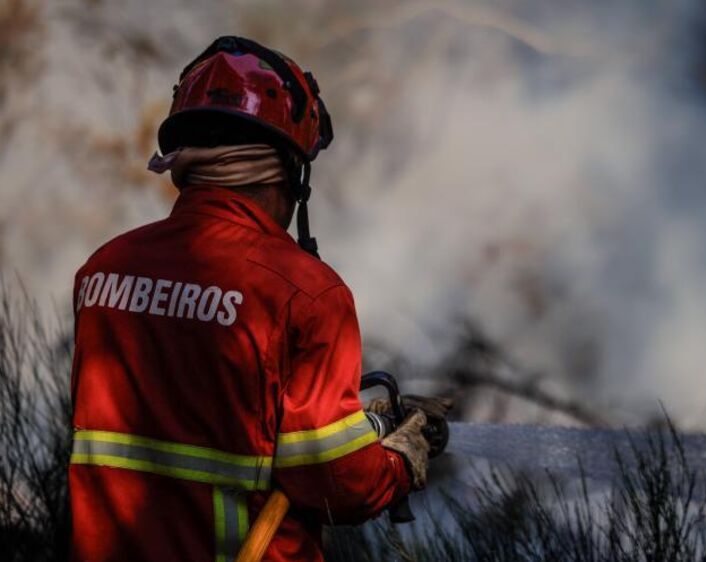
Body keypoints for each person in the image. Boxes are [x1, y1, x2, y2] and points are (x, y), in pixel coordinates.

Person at [69, 36, 450, 562]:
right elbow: (337, 485)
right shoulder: (305, 293)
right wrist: (398, 464)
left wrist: (364, 428)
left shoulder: (103, 271)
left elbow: (203, 414)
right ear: (288, 174)